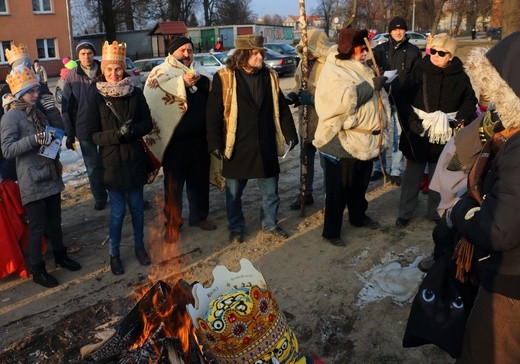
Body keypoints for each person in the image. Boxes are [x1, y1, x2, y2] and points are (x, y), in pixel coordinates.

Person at [449, 32, 520, 363]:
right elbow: (462, 150)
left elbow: (500, 228)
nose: (491, 105)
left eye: (497, 93)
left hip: (510, 289)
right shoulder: (506, 127)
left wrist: (461, 210)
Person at [206, 35, 298, 244]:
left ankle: (270, 224)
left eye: (261, 52)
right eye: (255, 53)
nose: (260, 56)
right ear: (242, 54)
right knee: (233, 194)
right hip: (236, 145)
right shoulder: (224, 77)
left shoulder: (270, 76)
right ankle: (236, 228)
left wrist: (290, 134)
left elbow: (281, 107)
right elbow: (213, 114)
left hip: (264, 143)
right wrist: (214, 143)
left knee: (270, 191)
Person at [1, 67, 81, 288]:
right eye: (31, 92)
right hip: (32, 179)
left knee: (55, 221)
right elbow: (7, 149)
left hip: (50, 173)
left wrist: (53, 138)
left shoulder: (38, 111)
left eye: (36, 90)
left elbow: (53, 133)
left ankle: (60, 256)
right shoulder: (11, 117)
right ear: (19, 94)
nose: (36, 94)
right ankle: (38, 269)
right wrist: (35, 140)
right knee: (37, 227)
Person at [313, 28, 391, 246]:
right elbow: (341, 101)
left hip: (365, 140)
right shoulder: (334, 69)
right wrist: (372, 85)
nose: (366, 53)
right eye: (361, 49)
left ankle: (358, 216)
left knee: (360, 184)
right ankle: (331, 232)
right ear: (349, 48)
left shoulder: (360, 66)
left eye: (367, 48)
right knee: (339, 190)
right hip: (343, 141)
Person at [395, 33, 477, 228]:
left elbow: (470, 100)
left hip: (445, 131)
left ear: (450, 56)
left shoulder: (460, 75)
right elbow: (402, 97)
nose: (435, 55)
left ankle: (435, 211)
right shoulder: (419, 69)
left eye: (441, 53)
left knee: (438, 173)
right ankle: (405, 212)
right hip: (420, 129)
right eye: (433, 50)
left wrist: (461, 118)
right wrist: (411, 120)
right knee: (412, 173)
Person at [85, 41, 153, 275]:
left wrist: (132, 131)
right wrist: (116, 135)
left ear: (123, 69)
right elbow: (90, 134)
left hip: (134, 160)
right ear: (103, 69)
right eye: (109, 69)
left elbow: (147, 122)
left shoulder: (136, 93)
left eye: (118, 69)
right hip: (112, 164)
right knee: (117, 213)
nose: (114, 74)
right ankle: (114, 254)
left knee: (137, 209)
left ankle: (139, 247)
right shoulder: (95, 97)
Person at [143, 36, 216, 236]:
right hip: (174, 142)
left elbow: (212, 93)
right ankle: (173, 224)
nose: (186, 54)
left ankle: (199, 217)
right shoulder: (160, 72)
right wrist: (180, 82)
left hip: (200, 140)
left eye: (190, 50)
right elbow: (153, 96)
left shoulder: (200, 71)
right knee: (173, 185)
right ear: (172, 52)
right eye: (182, 50)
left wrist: (199, 83)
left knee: (199, 182)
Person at [370, 16, 422, 186]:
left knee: (399, 135)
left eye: (401, 29)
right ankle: (379, 167)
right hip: (384, 98)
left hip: (403, 99)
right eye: (394, 29)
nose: (398, 32)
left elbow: (418, 77)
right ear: (390, 31)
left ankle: (396, 170)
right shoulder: (381, 50)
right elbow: (371, 69)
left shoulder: (414, 51)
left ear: (405, 31)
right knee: (380, 131)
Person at [285, 29, 330, 210]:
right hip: (305, 120)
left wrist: (312, 99)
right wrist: (293, 96)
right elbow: (298, 84)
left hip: (323, 121)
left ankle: (330, 196)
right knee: (305, 159)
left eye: (310, 49)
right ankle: (305, 192)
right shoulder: (303, 63)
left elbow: (332, 95)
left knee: (327, 161)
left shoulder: (328, 65)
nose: (308, 53)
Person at [62, 40, 108, 211]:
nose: (86, 56)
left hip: (105, 126)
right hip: (84, 128)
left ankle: (117, 192)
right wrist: (69, 132)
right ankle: (100, 196)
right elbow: (66, 108)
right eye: (83, 53)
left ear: (93, 54)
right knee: (92, 167)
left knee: (110, 162)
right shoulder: (72, 77)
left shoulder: (104, 70)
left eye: (89, 53)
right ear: (78, 56)